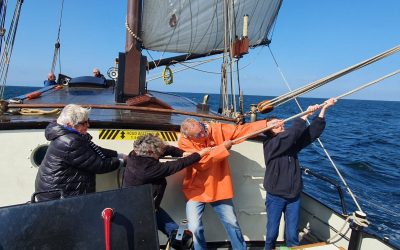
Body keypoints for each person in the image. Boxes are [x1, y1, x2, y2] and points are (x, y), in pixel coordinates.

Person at [178, 118, 273, 250]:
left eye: (202, 131)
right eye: (198, 135)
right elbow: (201, 163)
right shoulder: (184, 142)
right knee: (193, 227)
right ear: (188, 136)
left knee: (232, 222)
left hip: (218, 186)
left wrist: (266, 124)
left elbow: (240, 131)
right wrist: (223, 148)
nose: (203, 135)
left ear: (201, 124)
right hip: (195, 189)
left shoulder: (216, 129)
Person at [263, 98, 337, 250]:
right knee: (271, 234)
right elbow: (290, 135)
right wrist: (305, 115)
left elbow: (310, 134)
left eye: (280, 122)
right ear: (268, 130)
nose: (279, 124)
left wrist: (323, 111)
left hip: (294, 196)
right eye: (274, 124)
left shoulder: (290, 144)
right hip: (276, 196)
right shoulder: (270, 145)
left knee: (292, 235)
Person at [123, 134, 212, 238]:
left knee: (178, 236)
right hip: (140, 211)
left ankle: (180, 239)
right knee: (146, 240)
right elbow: (177, 165)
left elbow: (165, 149)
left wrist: (182, 153)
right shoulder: (146, 170)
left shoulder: (135, 153)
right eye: (158, 153)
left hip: (149, 205)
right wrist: (200, 154)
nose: (160, 153)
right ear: (150, 153)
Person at [35, 104, 126, 201]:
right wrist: (122, 162)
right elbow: (99, 165)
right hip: (57, 197)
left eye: (88, 121)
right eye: (83, 123)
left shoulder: (68, 134)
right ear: (69, 125)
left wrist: (118, 154)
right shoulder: (71, 141)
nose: (88, 125)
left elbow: (94, 150)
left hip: (52, 189)